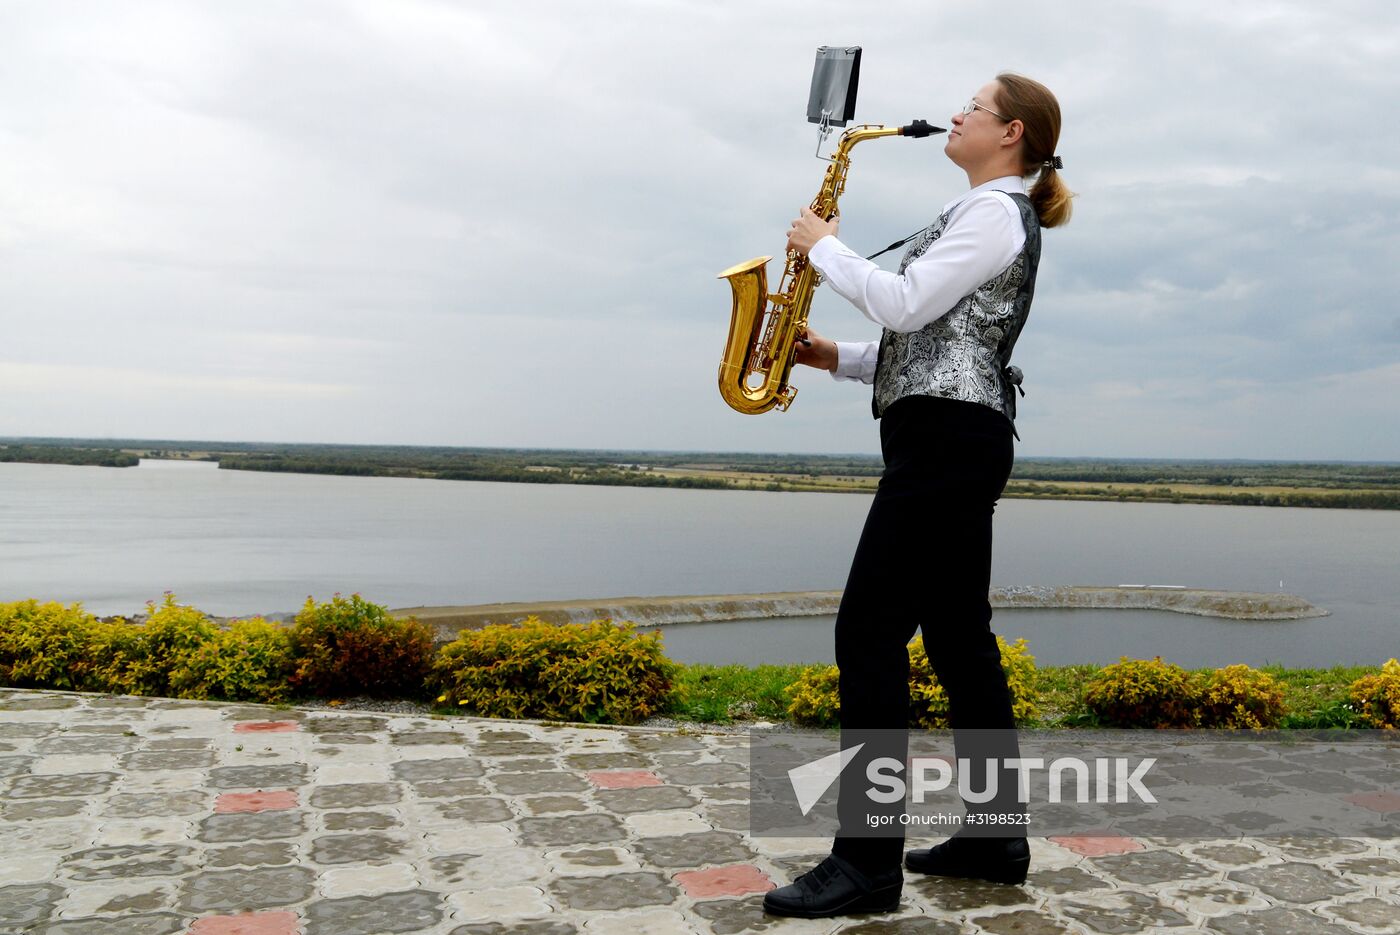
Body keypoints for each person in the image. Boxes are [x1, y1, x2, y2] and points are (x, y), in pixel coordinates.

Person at [761, 73, 1073, 919]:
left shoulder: (988, 212)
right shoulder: (992, 211)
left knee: (867, 632)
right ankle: (994, 836)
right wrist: (838, 358)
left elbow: (906, 300)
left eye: (974, 105)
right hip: (957, 435)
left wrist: (822, 244)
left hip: (942, 444)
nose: (958, 112)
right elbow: (940, 336)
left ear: (1010, 132)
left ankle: (866, 865)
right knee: (959, 639)